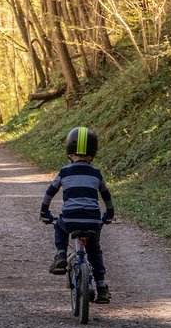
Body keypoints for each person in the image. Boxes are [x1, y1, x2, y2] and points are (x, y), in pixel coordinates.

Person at [39, 127, 116, 303]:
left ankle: (61, 254)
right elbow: (107, 197)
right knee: (94, 250)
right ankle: (102, 288)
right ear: (93, 153)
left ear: (69, 152)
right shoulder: (96, 174)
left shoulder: (64, 172)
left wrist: (44, 213)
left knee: (60, 227)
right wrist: (109, 215)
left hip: (70, 219)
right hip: (92, 220)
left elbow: (49, 193)